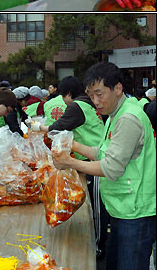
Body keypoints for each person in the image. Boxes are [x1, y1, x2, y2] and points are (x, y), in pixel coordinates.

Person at [52, 62, 156, 270]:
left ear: (118, 88)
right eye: (92, 95)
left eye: (100, 94)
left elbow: (110, 167)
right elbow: (103, 151)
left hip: (136, 212)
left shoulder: (128, 118)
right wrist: (74, 145)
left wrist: (70, 162)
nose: (96, 101)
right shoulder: (116, 115)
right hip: (122, 208)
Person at [34, 75, 108, 257]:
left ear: (68, 93)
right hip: (95, 154)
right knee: (97, 203)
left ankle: (98, 246)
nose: (63, 100)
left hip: (95, 159)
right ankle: (99, 240)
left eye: (62, 95)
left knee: (97, 206)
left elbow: (60, 126)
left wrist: (39, 128)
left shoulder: (77, 105)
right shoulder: (88, 104)